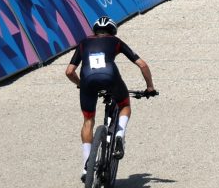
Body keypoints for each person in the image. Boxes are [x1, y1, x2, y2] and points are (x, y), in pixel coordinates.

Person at [64, 15, 156, 178]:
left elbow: (69, 71)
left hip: (87, 81)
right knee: (124, 105)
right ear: (112, 31)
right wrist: (149, 87)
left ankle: (86, 167)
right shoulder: (115, 41)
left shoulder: (84, 43)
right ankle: (119, 134)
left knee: (88, 121)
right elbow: (142, 64)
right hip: (110, 78)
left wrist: (80, 84)